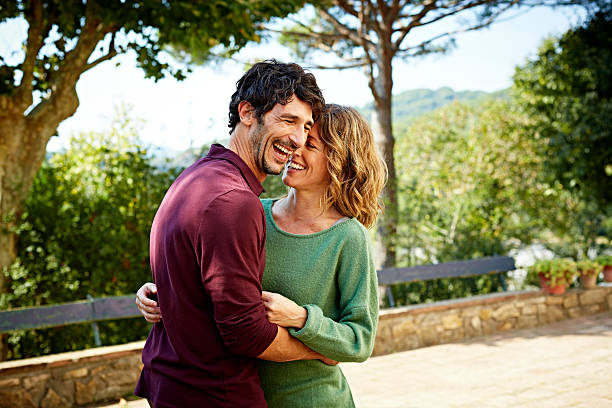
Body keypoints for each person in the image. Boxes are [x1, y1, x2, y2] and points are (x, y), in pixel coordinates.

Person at [137, 104, 387, 407]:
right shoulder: (254, 213)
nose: (294, 148)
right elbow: (217, 292)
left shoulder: (347, 237)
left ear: (338, 160)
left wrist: (301, 317)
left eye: (310, 144)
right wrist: (163, 293)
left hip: (312, 401)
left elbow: (360, 339)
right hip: (239, 396)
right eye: (296, 138)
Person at [133, 60, 328, 408]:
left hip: (174, 383)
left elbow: (187, 280)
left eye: (306, 126)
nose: (298, 140)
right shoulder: (233, 201)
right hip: (215, 394)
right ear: (248, 112)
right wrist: (318, 348)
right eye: (288, 120)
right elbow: (245, 333)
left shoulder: (194, 178)